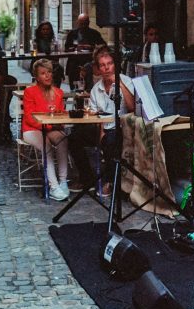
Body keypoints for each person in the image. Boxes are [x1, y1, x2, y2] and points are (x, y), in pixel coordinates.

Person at [68, 46, 135, 195]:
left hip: (122, 128)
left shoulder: (127, 81)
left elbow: (132, 108)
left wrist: (119, 84)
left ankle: (112, 182)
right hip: (103, 127)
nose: (107, 68)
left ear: (115, 65)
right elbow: (93, 115)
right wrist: (100, 130)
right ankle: (87, 179)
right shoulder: (95, 90)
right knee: (74, 137)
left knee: (110, 141)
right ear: (98, 69)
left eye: (109, 64)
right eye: (103, 65)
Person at [21, 59, 69, 200]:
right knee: (46, 145)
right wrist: (49, 126)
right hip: (31, 129)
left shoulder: (58, 92)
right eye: (43, 73)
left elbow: (60, 114)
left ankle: (63, 181)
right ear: (36, 77)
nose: (47, 76)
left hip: (50, 128)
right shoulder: (30, 92)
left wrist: (61, 122)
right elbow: (30, 118)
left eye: (49, 72)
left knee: (62, 140)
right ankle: (53, 186)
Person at [64, 13, 106, 86]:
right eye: (81, 24)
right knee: (73, 67)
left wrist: (92, 48)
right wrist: (75, 48)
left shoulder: (94, 33)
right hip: (75, 59)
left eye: (85, 23)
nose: (83, 26)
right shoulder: (72, 33)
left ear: (88, 23)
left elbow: (103, 46)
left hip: (89, 59)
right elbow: (66, 48)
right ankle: (73, 87)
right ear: (78, 23)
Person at [34, 21, 65, 88]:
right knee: (55, 68)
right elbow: (35, 54)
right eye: (43, 29)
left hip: (52, 64)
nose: (45, 31)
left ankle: (55, 89)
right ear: (40, 31)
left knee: (57, 68)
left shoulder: (53, 41)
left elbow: (57, 53)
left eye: (47, 29)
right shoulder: (36, 42)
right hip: (39, 63)